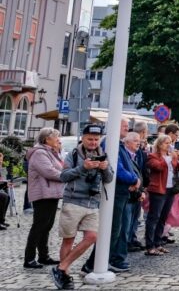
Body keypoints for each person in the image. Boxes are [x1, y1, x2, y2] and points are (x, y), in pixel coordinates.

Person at [52, 123, 114, 290]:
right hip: (73, 201)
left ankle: (60, 268)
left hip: (93, 202)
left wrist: (105, 168)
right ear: (83, 138)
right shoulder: (73, 154)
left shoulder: (103, 154)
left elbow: (109, 179)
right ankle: (64, 276)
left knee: (92, 237)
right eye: (90, 139)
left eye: (96, 139)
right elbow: (63, 176)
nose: (93, 142)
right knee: (69, 240)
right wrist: (83, 167)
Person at [83, 122, 141, 274]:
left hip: (122, 193)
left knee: (117, 230)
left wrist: (135, 179)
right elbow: (117, 168)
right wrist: (133, 179)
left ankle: (103, 261)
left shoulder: (119, 144)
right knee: (111, 230)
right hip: (114, 193)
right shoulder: (111, 143)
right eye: (123, 125)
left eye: (128, 125)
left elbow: (128, 166)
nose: (127, 128)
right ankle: (94, 263)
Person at [24, 128, 64, 269]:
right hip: (43, 194)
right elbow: (49, 172)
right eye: (56, 137)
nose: (59, 139)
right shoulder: (40, 153)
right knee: (39, 226)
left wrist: (59, 151)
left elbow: (62, 166)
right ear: (47, 139)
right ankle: (29, 259)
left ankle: (43, 256)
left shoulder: (51, 152)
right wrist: (66, 176)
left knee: (47, 226)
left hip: (51, 193)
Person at [145, 135, 179, 257]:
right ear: (160, 144)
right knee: (153, 217)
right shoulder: (152, 156)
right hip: (158, 190)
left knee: (163, 218)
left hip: (170, 190)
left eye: (170, 143)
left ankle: (158, 243)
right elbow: (158, 167)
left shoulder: (171, 156)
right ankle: (150, 246)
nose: (169, 145)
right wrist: (169, 159)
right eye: (166, 143)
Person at [126, 121, 150, 252]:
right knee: (130, 216)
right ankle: (128, 240)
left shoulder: (140, 149)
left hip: (139, 186)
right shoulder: (133, 148)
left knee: (136, 215)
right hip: (133, 186)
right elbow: (139, 168)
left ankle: (132, 238)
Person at [0, 150, 9, 230]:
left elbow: (3, 178)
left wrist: (6, 183)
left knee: (7, 196)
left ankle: (2, 220)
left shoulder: (2, 168)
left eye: (2, 159)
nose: (1, 161)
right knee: (3, 196)